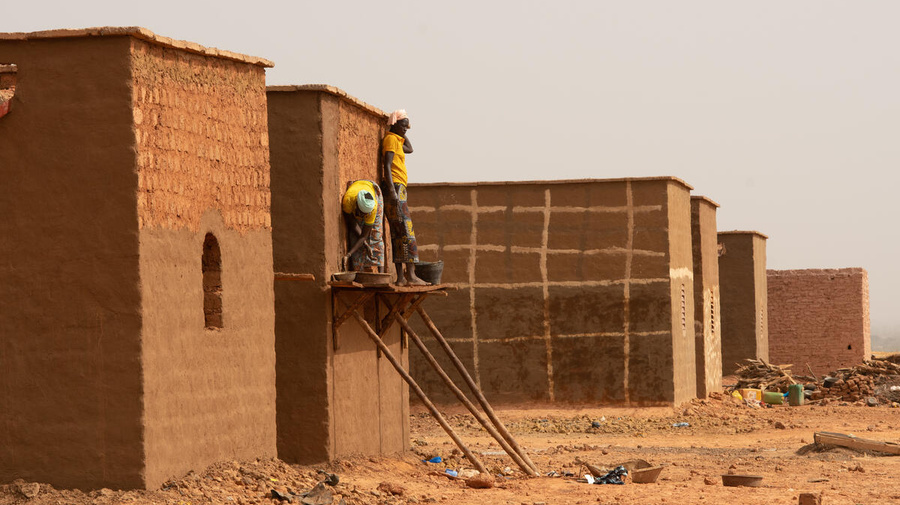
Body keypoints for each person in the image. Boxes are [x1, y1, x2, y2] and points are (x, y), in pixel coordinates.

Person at [382, 109, 427, 286]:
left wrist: (401, 130)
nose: (406, 129)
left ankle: (401, 278)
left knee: (398, 233)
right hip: (395, 188)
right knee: (407, 233)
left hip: (398, 188)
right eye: (403, 125)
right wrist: (392, 190)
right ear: (394, 124)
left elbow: (410, 149)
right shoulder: (391, 139)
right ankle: (411, 276)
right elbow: (386, 165)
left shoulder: (396, 140)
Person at [341, 180, 384, 273]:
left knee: (376, 234)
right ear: (356, 205)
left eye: (366, 214)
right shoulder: (348, 201)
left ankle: (382, 275)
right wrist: (348, 255)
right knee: (354, 236)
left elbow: (364, 235)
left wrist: (367, 244)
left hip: (373, 190)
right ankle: (358, 272)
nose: (363, 216)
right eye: (361, 213)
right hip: (357, 187)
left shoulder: (373, 208)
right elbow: (352, 224)